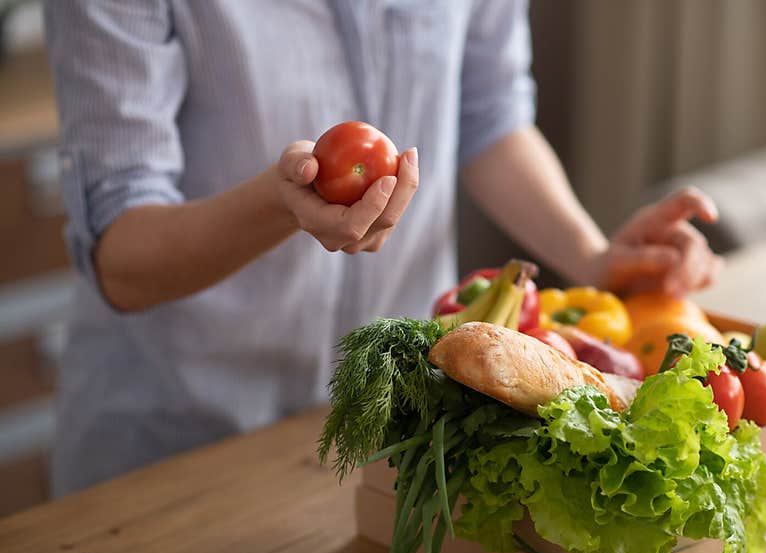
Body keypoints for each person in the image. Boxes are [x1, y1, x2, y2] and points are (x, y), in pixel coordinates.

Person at [45, 0, 721, 496]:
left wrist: (592, 255)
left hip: (390, 426)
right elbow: (122, 257)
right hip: (177, 445)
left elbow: (489, 113)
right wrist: (281, 204)